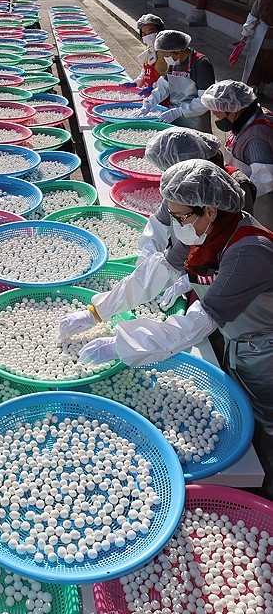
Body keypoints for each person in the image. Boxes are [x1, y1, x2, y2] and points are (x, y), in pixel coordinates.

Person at [58, 160, 273, 435]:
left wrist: (121, 344)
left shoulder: (248, 252)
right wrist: (96, 312)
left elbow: (199, 321)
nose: (175, 224)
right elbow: (155, 272)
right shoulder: (204, 229)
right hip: (238, 332)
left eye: (180, 216)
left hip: (264, 345)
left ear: (208, 210)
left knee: (265, 414)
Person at [137, 126, 257, 263]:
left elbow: (235, 237)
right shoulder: (179, 187)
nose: (170, 178)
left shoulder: (236, 189)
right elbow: (158, 225)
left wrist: (173, 261)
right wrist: (147, 262)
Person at [201, 80, 273, 230]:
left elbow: (265, 180)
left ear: (232, 109)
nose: (217, 119)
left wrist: (234, 198)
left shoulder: (256, 138)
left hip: (260, 207)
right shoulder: (246, 119)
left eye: (218, 114)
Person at [139, 30, 215, 132]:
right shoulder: (174, 63)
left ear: (178, 51)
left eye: (166, 56)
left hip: (195, 120)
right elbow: (163, 87)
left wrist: (179, 111)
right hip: (175, 117)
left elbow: (206, 100)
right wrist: (149, 103)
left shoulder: (201, 64)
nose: (166, 59)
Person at [239, 0, 273, 94]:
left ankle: (249, 91)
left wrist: (245, 35)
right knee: (268, 63)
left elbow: (251, 19)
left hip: (260, 36)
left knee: (254, 63)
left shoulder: (261, 0)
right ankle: (261, 91)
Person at [121, 14, 167, 90]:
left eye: (150, 33)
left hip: (162, 97)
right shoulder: (148, 52)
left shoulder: (167, 53)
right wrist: (136, 83)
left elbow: (169, 79)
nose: (147, 36)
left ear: (160, 31)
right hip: (149, 96)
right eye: (144, 34)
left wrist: (154, 87)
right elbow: (145, 72)